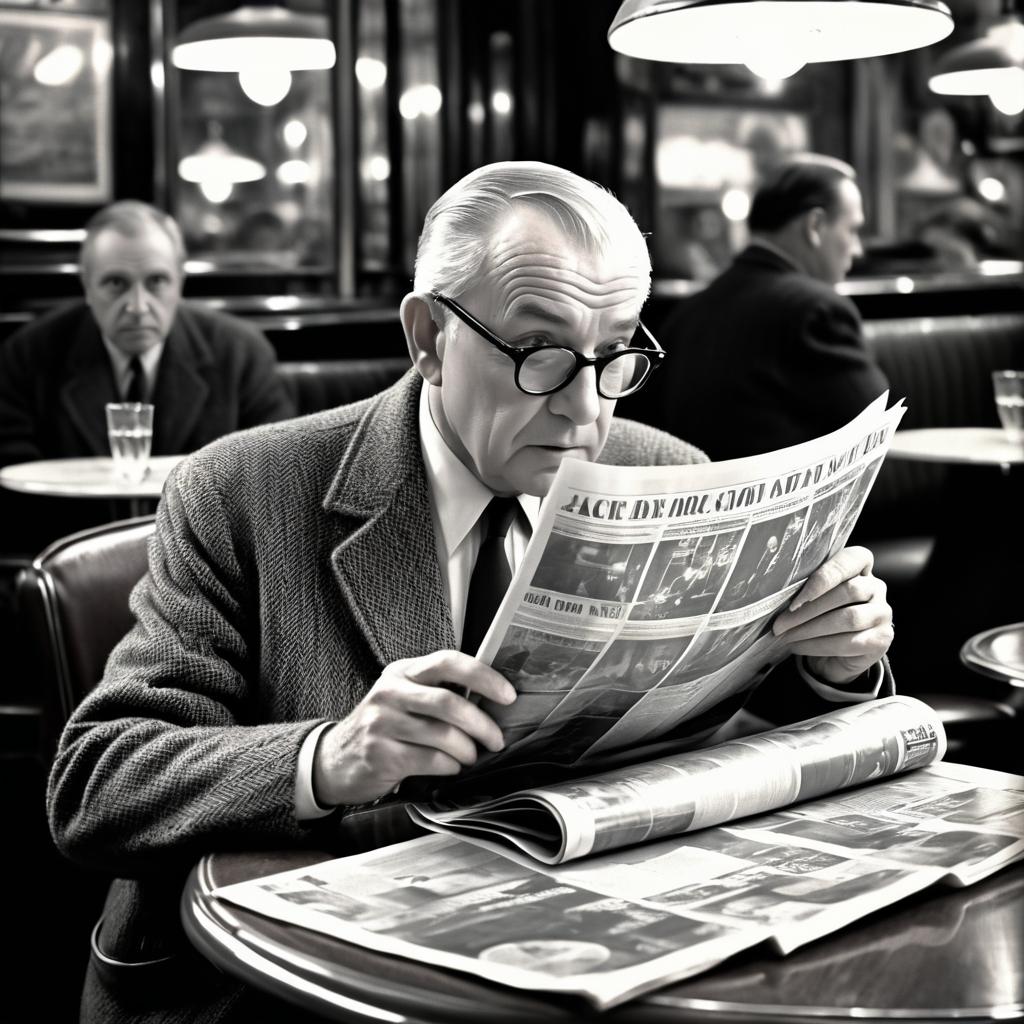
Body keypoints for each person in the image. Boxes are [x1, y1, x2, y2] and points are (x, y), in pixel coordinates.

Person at [46, 162, 894, 1024]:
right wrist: (327, 758)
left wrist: (831, 664)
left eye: (616, 356)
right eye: (542, 354)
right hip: (291, 986)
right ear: (427, 338)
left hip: (597, 960)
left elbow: (737, 725)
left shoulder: (668, 474)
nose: (585, 413)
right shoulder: (242, 491)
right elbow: (97, 781)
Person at [0, 200, 295, 548]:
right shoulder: (29, 355)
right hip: (72, 562)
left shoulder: (240, 353)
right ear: (86, 286)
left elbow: (277, 475)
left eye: (156, 281)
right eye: (115, 283)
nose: (137, 307)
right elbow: (14, 489)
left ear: (180, 282)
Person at [651, 156, 889, 461]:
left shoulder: (685, 314)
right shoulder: (815, 311)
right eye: (853, 230)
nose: (858, 249)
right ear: (815, 226)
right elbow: (875, 428)